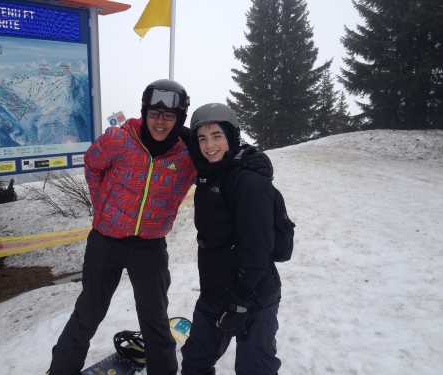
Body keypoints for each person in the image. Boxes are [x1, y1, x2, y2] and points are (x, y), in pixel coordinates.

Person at [47, 80, 274, 375]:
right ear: (145, 112)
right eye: (154, 113)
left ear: (179, 118)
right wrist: (102, 203)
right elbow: (92, 164)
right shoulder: (118, 139)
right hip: (105, 242)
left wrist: (251, 159)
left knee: (154, 321)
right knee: (87, 314)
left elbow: (218, 162)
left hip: (149, 248)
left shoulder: (186, 154)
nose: (160, 121)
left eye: (169, 116)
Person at [181, 103, 282, 375]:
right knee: (195, 361)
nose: (208, 144)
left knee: (255, 368)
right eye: (202, 138)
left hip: (253, 292)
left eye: (217, 135)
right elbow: (174, 132)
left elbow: (259, 245)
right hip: (215, 289)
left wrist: (241, 298)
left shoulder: (248, 179)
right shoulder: (208, 167)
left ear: (232, 136)